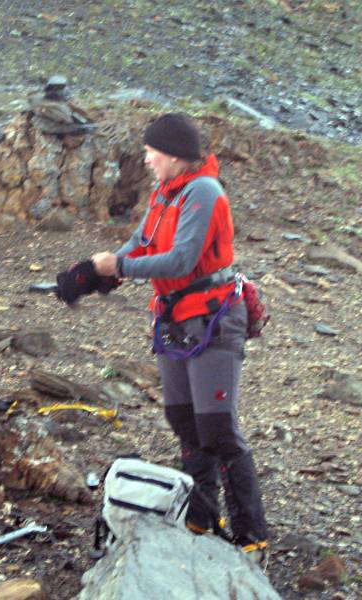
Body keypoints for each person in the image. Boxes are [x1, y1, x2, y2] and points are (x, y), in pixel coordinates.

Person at [91, 113, 269, 558]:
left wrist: (123, 269)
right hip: (174, 320)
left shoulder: (204, 191)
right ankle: (202, 516)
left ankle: (252, 534)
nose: (147, 159)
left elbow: (182, 260)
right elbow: (142, 241)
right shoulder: (165, 193)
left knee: (217, 429)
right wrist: (94, 272)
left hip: (212, 319)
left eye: (152, 151)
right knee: (183, 420)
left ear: (172, 154)